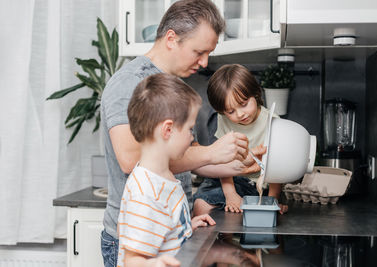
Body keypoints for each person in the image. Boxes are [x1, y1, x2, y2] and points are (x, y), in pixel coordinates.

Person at [100, 1, 264, 266]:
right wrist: (212, 152)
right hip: (138, 240)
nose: (205, 61)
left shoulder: (171, 86)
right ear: (171, 38)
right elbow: (131, 160)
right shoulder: (130, 82)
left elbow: (187, 157)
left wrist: (234, 164)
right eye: (199, 51)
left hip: (168, 232)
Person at [117, 73, 216, 267]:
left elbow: (161, 230)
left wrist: (185, 228)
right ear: (168, 130)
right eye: (189, 129)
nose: (191, 137)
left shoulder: (163, 176)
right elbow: (132, 261)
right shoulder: (146, 193)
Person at [193, 64, 289, 216]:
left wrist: (273, 200)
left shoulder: (273, 122)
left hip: (260, 186)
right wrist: (230, 194)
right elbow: (222, 160)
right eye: (230, 111)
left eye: (244, 104)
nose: (239, 114)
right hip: (228, 178)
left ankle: (229, 238)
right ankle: (222, 240)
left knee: (243, 216)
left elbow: (276, 169)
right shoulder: (223, 119)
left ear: (255, 94)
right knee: (201, 205)